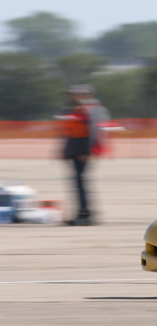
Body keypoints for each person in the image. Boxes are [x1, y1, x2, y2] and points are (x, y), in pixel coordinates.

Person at [56, 85, 109, 226]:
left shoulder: (91, 109)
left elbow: (94, 131)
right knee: (78, 183)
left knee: (80, 183)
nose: (71, 96)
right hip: (75, 151)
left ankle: (85, 214)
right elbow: (68, 132)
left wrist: (86, 151)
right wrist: (65, 151)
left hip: (82, 151)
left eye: (75, 94)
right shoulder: (75, 109)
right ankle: (82, 212)